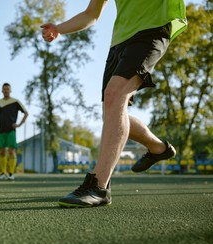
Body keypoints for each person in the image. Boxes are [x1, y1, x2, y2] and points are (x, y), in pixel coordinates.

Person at [41, 0, 186, 207]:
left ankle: (98, 186)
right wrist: (59, 29)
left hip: (152, 28)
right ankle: (158, 147)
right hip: (119, 41)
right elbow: (91, 13)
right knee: (111, 113)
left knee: (114, 96)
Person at [0, 83, 29, 180]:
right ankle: (3, 173)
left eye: (7, 89)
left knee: (12, 151)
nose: (6, 90)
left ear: (10, 90)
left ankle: (11, 173)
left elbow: (26, 113)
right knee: (2, 151)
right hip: (1, 130)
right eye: (4, 89)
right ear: (2, 90)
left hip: (11, 130)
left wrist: (19, 124)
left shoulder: (15, 101)